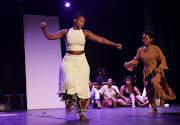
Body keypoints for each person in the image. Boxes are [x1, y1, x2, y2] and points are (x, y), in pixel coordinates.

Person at [41, 12, 122, 119]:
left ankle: (81, 112)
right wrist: (44, 29)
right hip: (69, 60)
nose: (82, 23)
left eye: (83, 22)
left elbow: (100, 39)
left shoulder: (85, 33)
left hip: (82, 61)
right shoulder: (66, 32)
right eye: (80, 21)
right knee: (68, 82)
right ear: (75, 20)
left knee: (82, 88)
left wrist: (114, 44)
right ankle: (68, 103)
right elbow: (50, 37)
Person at [124, 31, 176, 113]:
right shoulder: (140, 50)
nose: (144, 40)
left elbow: (162, 59)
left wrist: (160, 67)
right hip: (146, 72)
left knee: (154, 82)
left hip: (156, 70)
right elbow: (136, 60)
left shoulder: (156, 49)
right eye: (143, 38)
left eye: (146, 38)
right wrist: (128, 63)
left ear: (151, 39)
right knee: (149, 90)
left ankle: (162, 96)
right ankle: (154, 108)